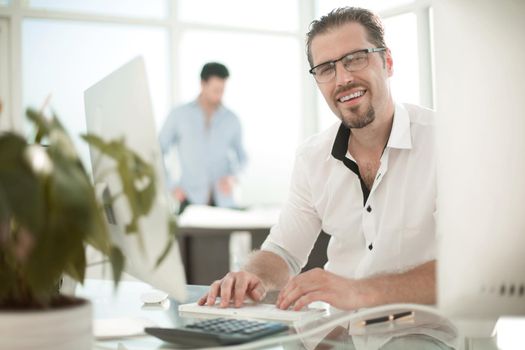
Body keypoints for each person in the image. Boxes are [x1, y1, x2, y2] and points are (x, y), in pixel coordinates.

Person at [200, 7, 438, 314]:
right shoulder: (313, 158)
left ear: (387, 62)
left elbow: (468, 266)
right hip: (339, 335)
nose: (343, 79)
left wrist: (359, 291)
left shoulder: (446, 141)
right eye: (326, 68)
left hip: (433, 335)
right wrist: (253, 276)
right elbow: (284, 252)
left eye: (355, 59)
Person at [159, 62, 247, 212]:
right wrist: (171, 186)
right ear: (202, 84)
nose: (219, 95)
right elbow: (158, 151)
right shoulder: (179, 115)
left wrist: (233, 178)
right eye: (215, 90)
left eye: (222, 90)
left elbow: (243, 158)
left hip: (225, 203)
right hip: (188, 202)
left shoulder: (232, 119)